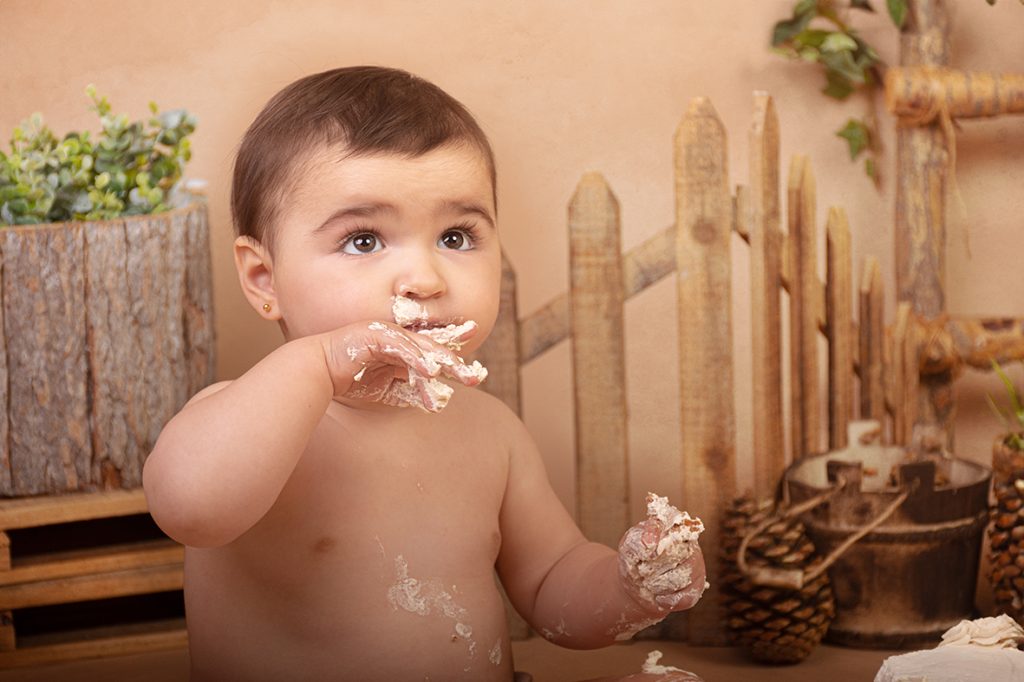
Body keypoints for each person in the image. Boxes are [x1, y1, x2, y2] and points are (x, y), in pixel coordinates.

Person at [143, 65, 707, 682]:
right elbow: (191, 511)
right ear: (264, 279)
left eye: (457, 236)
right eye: (363, 241)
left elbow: (551, 586)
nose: (426, 279)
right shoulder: (243, 419)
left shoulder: (491, 433)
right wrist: (321, 362)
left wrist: (624, 591)